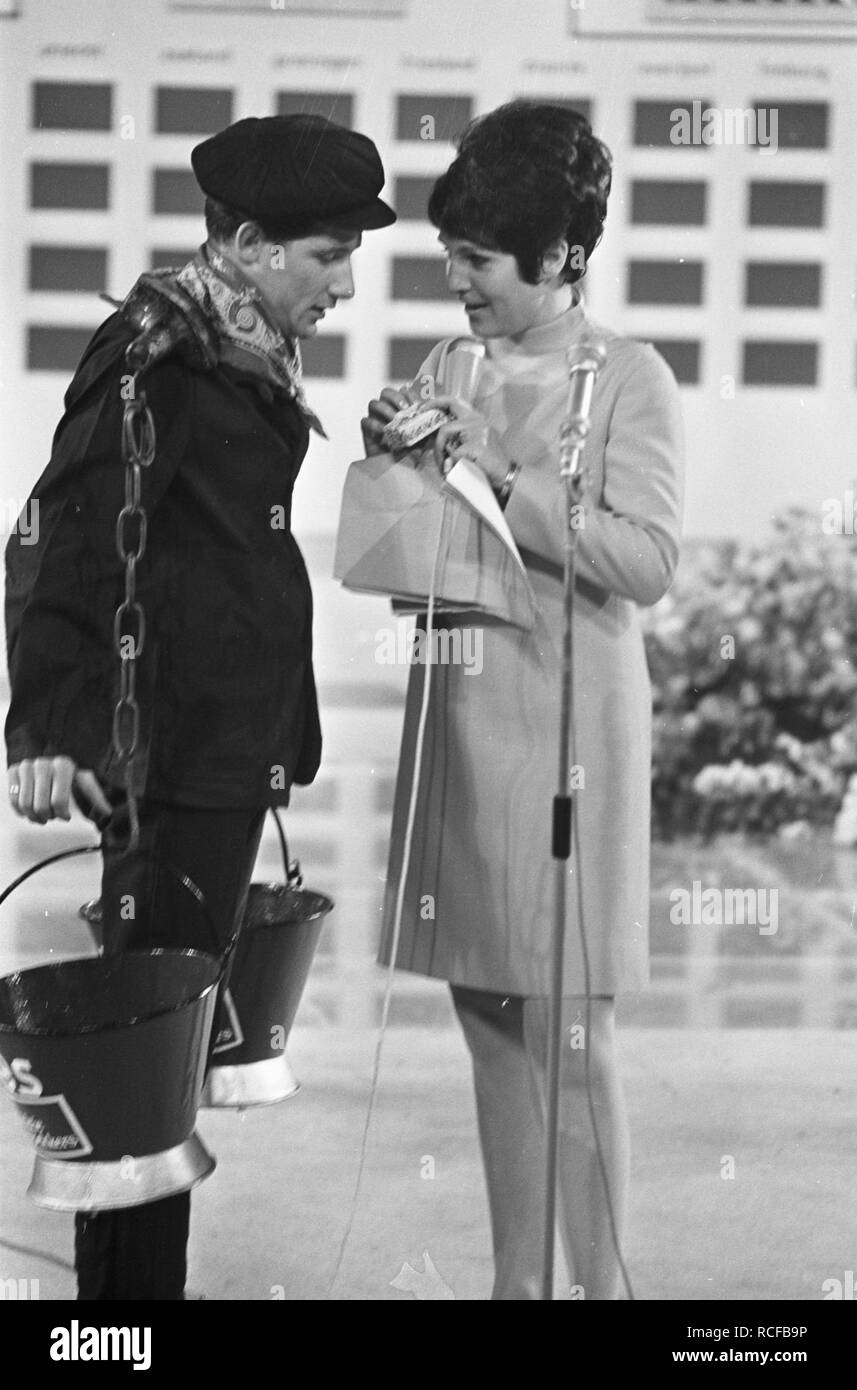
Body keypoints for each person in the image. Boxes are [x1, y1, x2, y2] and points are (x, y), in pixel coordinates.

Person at [5, 113, 396, 1300]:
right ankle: (122, 1327)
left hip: (224, 754)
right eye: (326, 255)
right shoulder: (154, 356)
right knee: (139, 1073)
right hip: (167, 762)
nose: (341, 284)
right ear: (245, 241)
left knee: (167, 1061)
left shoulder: (233, 349)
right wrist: (50, 729)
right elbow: (63, 534)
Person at [362, 101, 684, 1300]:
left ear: (559, 258)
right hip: (459, 719)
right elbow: (422, 544)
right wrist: (394, 454)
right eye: (449, 253)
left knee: (571, 1035)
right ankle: (517, 1291)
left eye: (479, 260)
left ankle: (608, 1294)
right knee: (491, 1020)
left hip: (568, 736)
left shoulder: (630, 380)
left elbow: (647, 561)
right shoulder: (449, 365)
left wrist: (497, 473)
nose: (456, 280)